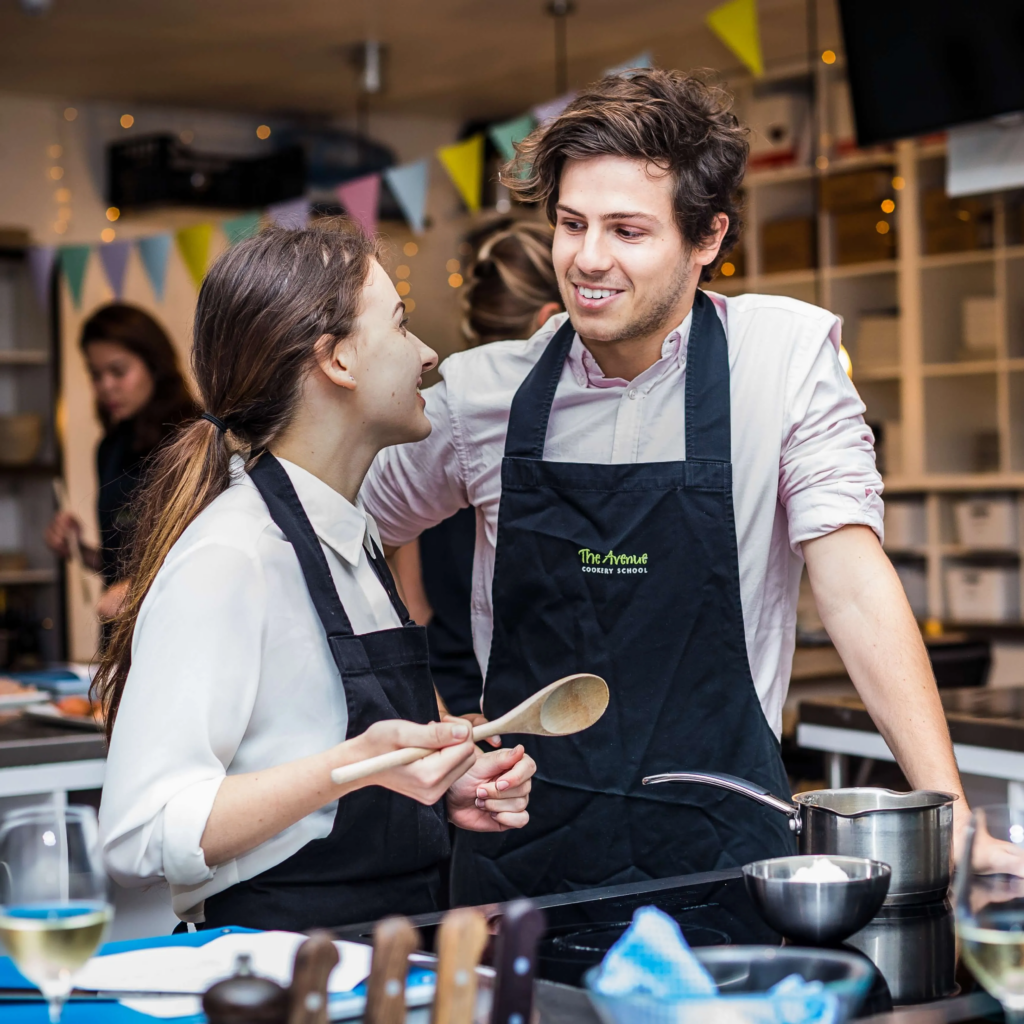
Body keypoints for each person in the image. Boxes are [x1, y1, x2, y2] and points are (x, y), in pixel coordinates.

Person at [361, 68, 1020, 906]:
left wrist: (950, 805)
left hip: (721, 852)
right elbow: (347, 536)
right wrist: (437, 729)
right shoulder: (483, 392)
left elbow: (852, 581)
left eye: (627, 231)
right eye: (571, 224)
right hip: (520, 855)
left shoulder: (784, 361)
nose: (587, 260)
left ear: (707, 238)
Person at [96, 220, 536, 930]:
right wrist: (355, 766)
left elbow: (324, 771)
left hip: (389, 957)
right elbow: (140, 834)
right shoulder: (232, 556)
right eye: (400, 325)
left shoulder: (353, 536)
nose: (427, 355)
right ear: (336, 360)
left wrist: (440, 786)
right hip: (286, 970)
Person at [393, 219, 562, 717]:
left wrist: (438, 713)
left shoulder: (440, 422)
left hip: (453, 696)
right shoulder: (462, 425)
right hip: (493, 711)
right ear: (549, 318)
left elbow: (412, 605)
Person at [44, 305, 197, 622]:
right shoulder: (110, 448)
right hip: (120, 637)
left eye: (118, 371)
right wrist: (81, 550)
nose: (105, 386)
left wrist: (136, 587)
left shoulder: (193, 441)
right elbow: (121, 563)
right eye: (96, 375)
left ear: (154, 365)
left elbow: (203, 556)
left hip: (174, 629)